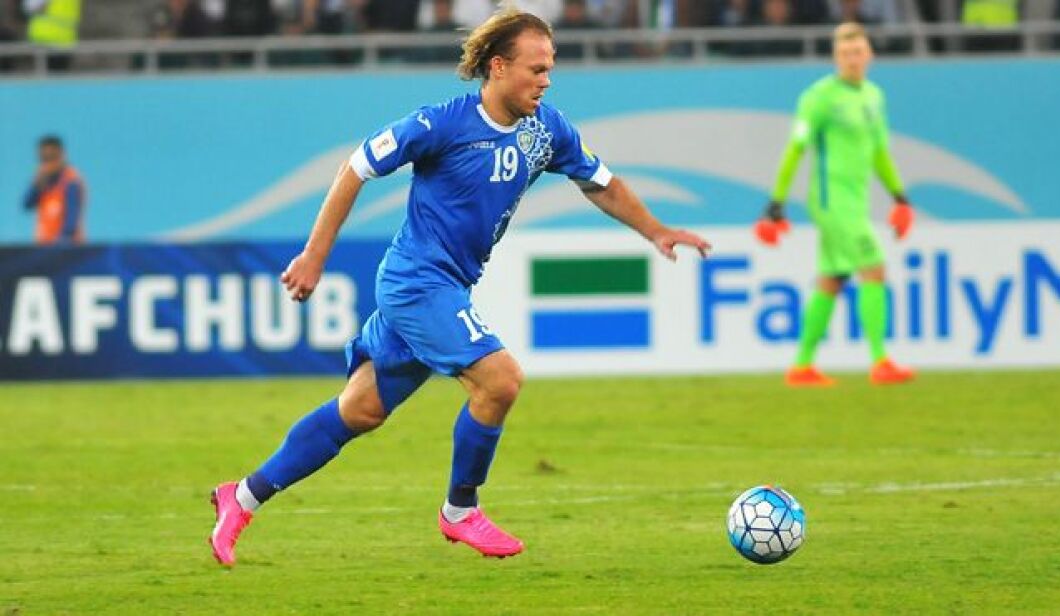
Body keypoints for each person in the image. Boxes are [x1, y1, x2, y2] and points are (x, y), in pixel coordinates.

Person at [208, 4, 710, 566]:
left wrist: (655, 230)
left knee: (362, 410)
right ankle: (460, 510)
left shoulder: (547, 130)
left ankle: (241, 496)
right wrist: (314, 255)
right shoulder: (441, 124)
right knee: (500, 381)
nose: (546, 80)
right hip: (416, 283)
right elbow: (356, 167)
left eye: (550, 69)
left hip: (448, 286)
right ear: (499, 67)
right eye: (536, 69)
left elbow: (601, 183)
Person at [756, 22, 914, 387]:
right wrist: (776, 202)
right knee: (873, 266)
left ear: (869, 54)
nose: (852, 59)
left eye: (857, 52)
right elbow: (795, 149)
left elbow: (879, 153)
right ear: (835, 57)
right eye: (845, 54)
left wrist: (900, 196)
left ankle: (802, 366)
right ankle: (880, 360)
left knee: (833, 278)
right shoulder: (820, 97)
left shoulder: (874, 96)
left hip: (856, 202)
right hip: (831, 201)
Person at [23, 134, 86, 245]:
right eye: (43, 159)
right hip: (43, 244)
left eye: (52, 157)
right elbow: (26, 205)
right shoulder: (41, 180)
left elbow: (71, 221)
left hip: (69, 247)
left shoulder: (72, 181)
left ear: (62, 156)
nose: (48, 164)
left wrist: (58, 245)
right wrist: (35, 186)